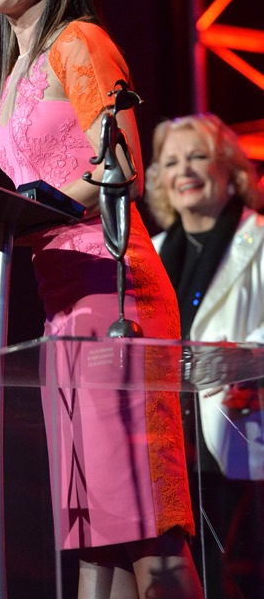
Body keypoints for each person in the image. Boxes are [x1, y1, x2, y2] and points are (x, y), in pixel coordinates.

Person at [0, 0, 203, 599]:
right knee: (95, 537)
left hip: (114, 293)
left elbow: (122, 165)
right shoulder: (16, 70)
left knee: (147, 527)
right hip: (62, 308)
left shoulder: (79, 42)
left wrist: (28, 211)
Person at [145, 112, 264, 599]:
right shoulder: (147, 255)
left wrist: (245, 364)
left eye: (197, 156)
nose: (184, 170)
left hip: (241, 434)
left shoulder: (259, 238)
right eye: (171, 162)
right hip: (168, 449)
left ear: (229, 169)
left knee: (241, 577)